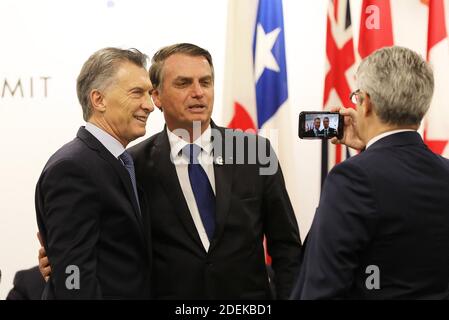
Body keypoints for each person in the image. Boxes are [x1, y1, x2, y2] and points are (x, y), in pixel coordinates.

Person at [128, 43, 302, 299]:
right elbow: (121, 249)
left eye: (205, 82)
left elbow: (286, 247)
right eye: (183, 83)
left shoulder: (255, 152)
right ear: (156, 96)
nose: (198, 92)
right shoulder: (135, 165)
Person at [291, 46, 449, 299]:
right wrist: (369, 150)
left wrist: (368, 158)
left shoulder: (353, 179)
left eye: (357, 97)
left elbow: (322, 285)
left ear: (367, 104)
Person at [35, 47, 154, 299]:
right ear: (98, 100)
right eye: (137, 93)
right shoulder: (73, 168)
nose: (150, 105)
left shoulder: (122, 162)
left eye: (150, 93)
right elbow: (73, 276)